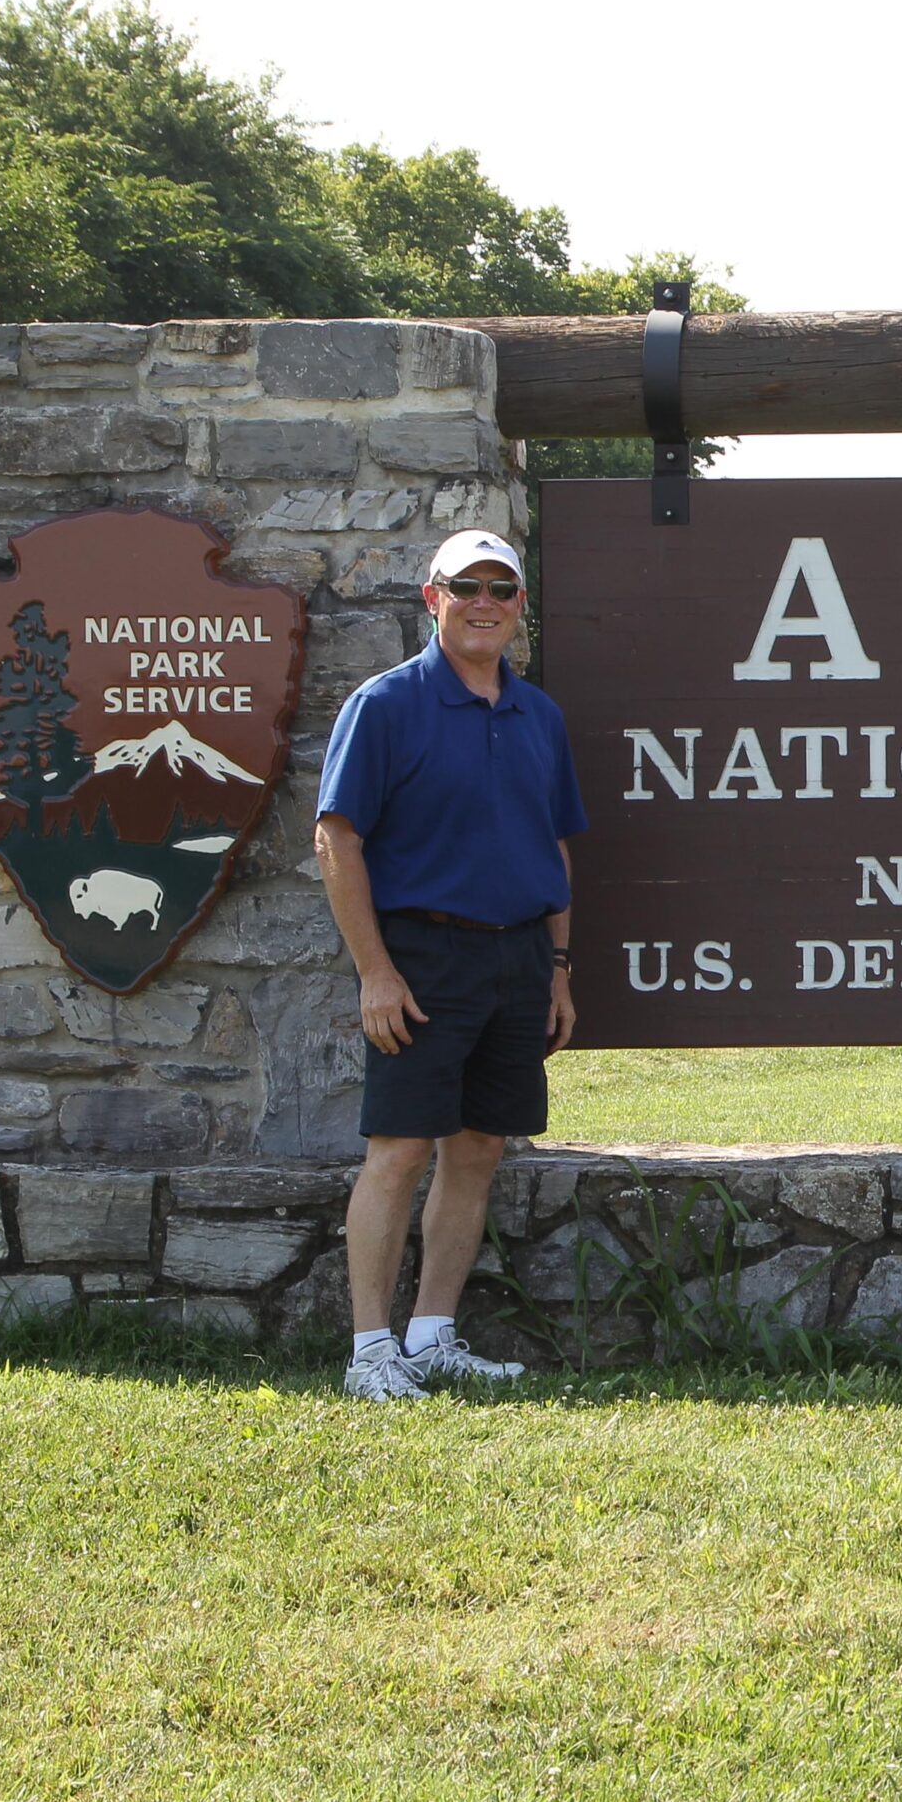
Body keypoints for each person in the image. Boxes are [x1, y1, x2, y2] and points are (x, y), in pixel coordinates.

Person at [314, 529, 588, 1400]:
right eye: (465, 585)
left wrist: (558, 967)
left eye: (500, 588)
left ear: (518, 606)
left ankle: (432, 1336)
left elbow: (555, 845)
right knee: (399, 1151)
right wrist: (375, 971)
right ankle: (370, 1351)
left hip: (518, 955)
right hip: (422, 955)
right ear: (432, 598)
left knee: (477, 1148)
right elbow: (337, 838)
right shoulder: (386, 705)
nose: (483, 602)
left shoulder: (539, 716)